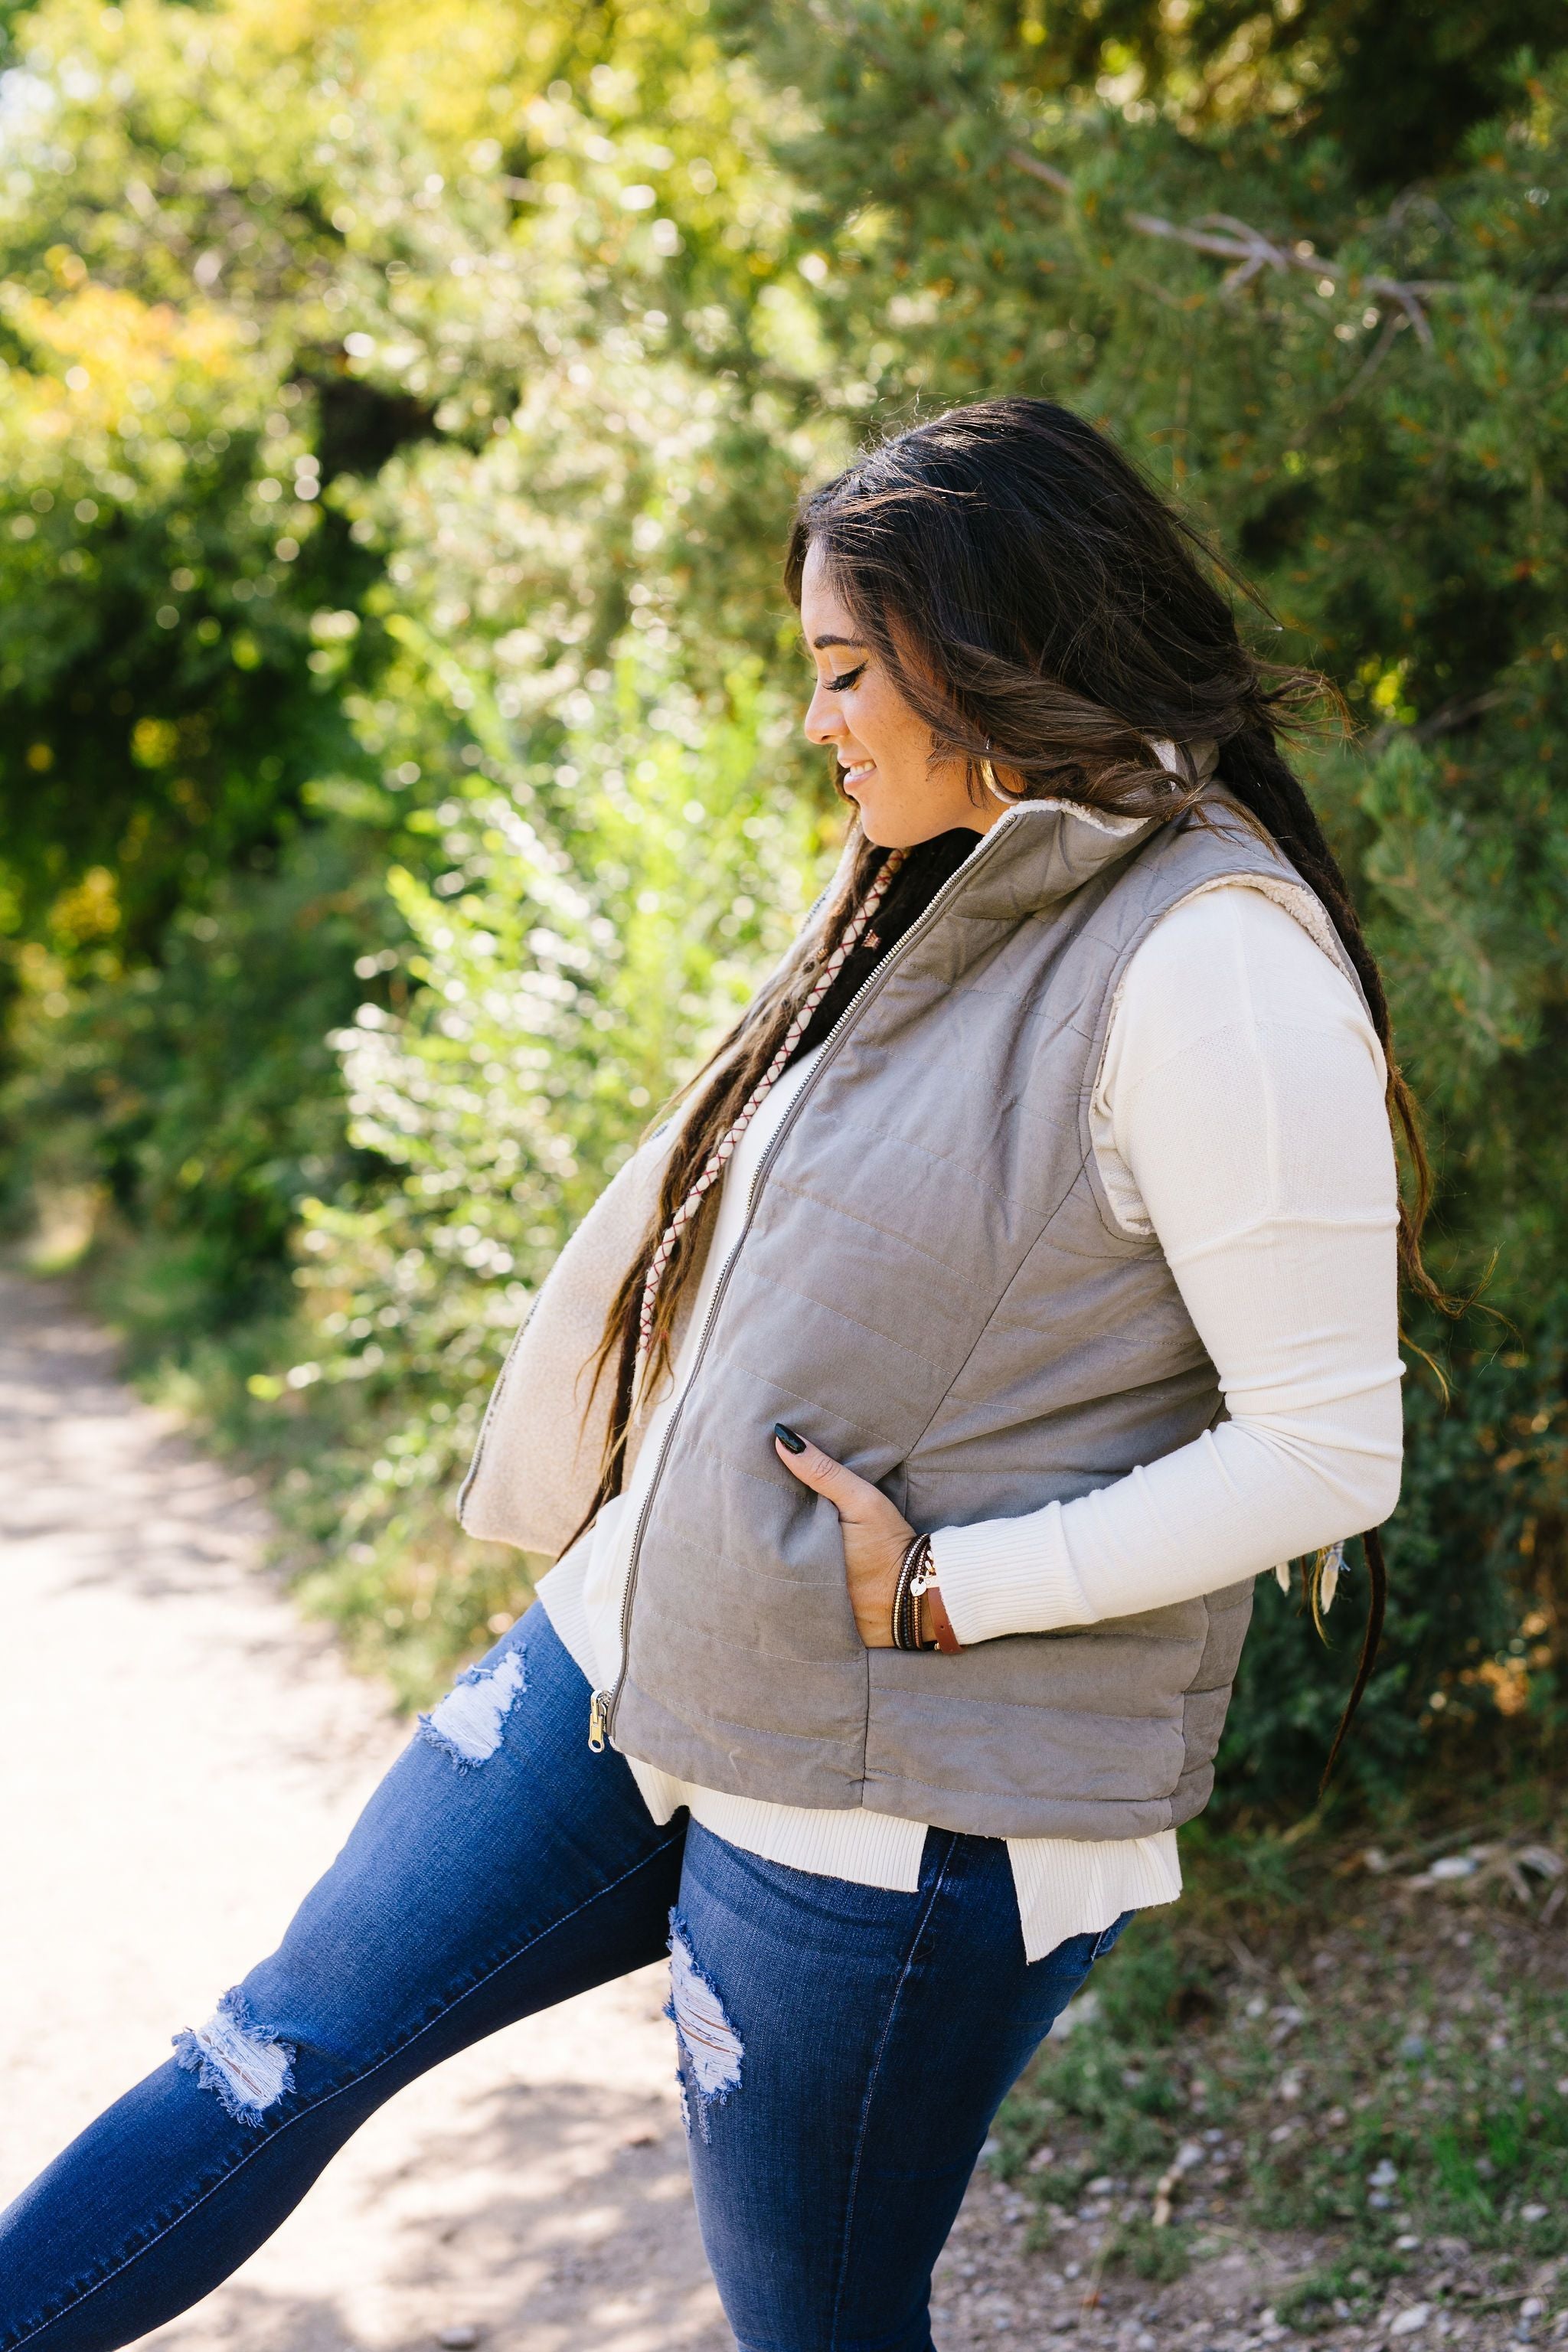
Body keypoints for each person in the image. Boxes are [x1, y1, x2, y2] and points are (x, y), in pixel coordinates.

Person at [1, 398, 1419, 2352]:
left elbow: (1327, 1451)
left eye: (845, 671)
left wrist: (954, 1589)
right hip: (632, 1662)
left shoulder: (1214, 966)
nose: (817, 720)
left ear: (987, 651)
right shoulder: (955, 877)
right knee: (269, 2054)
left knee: (811, 2329)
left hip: (900, 1797)